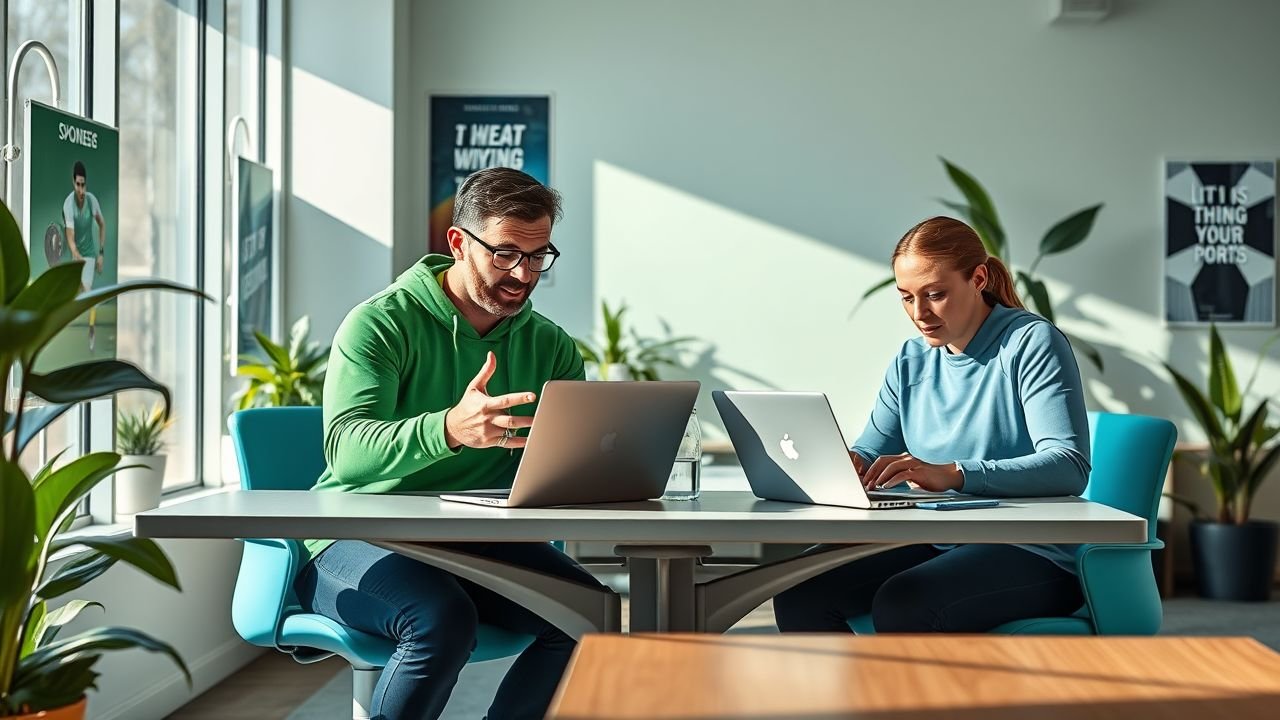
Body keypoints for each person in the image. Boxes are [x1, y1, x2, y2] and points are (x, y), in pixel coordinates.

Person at [296, 167, 599, 720]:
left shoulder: (551, 346)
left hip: (476, 540)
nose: (522, 274)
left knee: (589, 615)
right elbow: (347, 449)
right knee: (441, 620)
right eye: (506, 253)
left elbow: (564, 461)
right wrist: (449, 430)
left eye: (537, 257)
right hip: (359, 534)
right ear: (458, 243)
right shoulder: (380, 324)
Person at [773, 216, 1091, 634]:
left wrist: (955, 474)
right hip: (938, 539)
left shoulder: (1030, 342)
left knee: (907, 601)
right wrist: (849, 464)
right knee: (800, 591)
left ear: (978, 278)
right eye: (906, 297)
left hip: (1031, 549)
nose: (919, 313)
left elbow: (1068, 465)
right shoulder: (912, 359)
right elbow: (871, 449)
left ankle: (908, 699)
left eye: (935, 295)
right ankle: (851, 699)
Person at [63, 160, 107, 350]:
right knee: (78, 291)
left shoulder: (92, 200)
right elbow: (70, 235)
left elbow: (102, 224)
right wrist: (74, 253)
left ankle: (91, 330)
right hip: (76, 255)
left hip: (89, 255)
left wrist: (100, 254)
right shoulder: (68, 204)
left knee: (88, 290)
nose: (81, 189)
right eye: (78, 185)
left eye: (83, 184)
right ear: (73, 184)